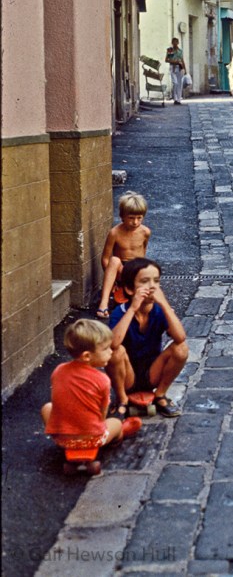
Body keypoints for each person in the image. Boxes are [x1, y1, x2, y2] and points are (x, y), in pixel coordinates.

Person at [106, 257, 189, 419]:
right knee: (116, 351)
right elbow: (113, 343)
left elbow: (180, 337)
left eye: (156, 281)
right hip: (126, 375)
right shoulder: (120, 312)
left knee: (181, 349)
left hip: (152, 372)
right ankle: (122, 399)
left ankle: (160, 395)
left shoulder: (159, 310)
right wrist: (133, 309)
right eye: (145, 281)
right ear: (130, 289)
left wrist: (165, 304)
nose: (152, 286)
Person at [41, 319, 141, 451]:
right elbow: (102, 415)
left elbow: (60, 401)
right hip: (92, 440)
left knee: (47, 407)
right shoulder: (102, 379)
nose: (111, 352)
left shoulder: (58, 370)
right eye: (106, 349)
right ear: (87, 356)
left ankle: (67, 439)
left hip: (62, 440)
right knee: (115, 423)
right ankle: (118, 435)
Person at [96, 192, 151, 320]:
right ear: (122, 216)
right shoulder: (115, 233)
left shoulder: (145, 232)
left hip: (136, 269)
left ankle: (159, 305)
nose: (135, 222)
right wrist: (113, 279)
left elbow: (143, 253)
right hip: (121, 269)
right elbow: (105, 258)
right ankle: (103, 303)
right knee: (114, 260)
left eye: (139, 218)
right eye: (131, 218)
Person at [165, 37, 186, 104]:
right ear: (172, 43)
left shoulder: (180, 51)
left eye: (176, 42)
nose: (175, 43)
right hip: (173, 67)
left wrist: (185, 69)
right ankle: (175, 98)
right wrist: (175, 61)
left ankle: (179, 99)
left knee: (180, 84)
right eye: (173, 42)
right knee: (175, 83)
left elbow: (182, 60)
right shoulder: (170, 50)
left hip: (180, 67)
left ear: (178, 43)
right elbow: (167, 60)